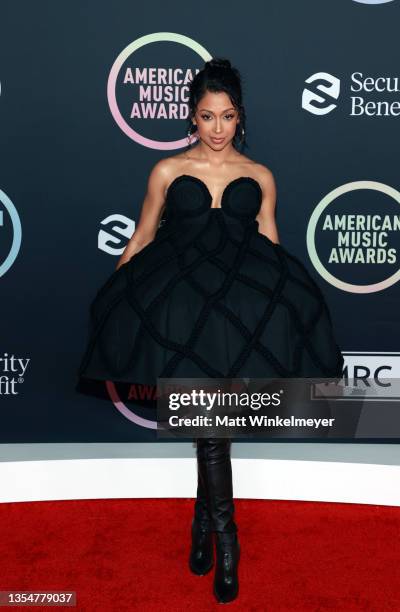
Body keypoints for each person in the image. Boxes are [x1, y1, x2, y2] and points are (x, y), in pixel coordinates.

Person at [77, 57, 344, 604]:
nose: (217, 128)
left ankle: (209, 530)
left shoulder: (262, 176)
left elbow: (270, 247)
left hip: (238, 323)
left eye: (226, 117)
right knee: (212, 431)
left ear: (239, 118)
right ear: (191, 119)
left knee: (211, 429)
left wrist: (298, 305)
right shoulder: (167, 172)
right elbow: (144, 236)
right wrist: (113, 298)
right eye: (206, 116)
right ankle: (226, 541)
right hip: (183, 315)